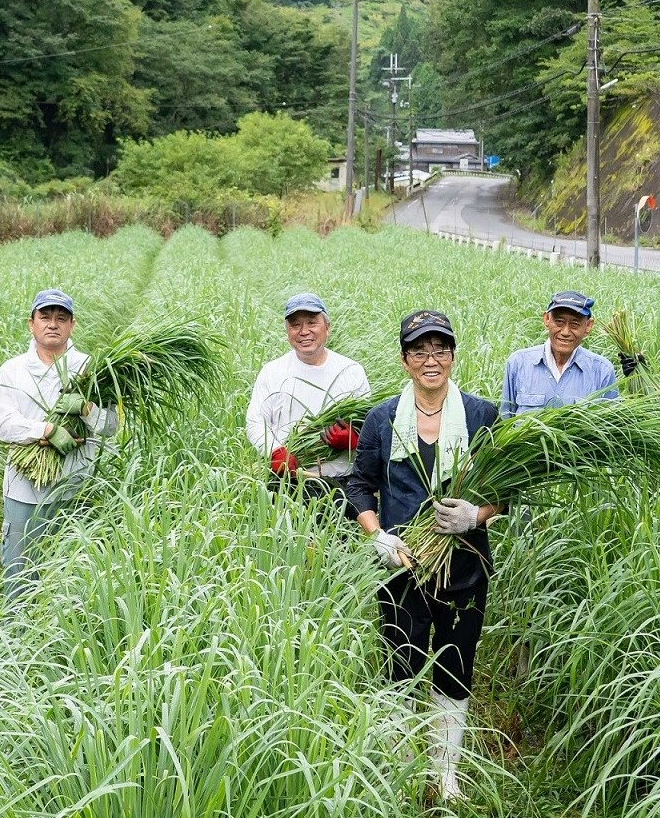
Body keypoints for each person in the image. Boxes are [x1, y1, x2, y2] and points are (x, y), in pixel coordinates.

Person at [347, 311, 503, 801]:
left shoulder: (481, 415)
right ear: (405, 360)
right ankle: (399, 769)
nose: (430, 360)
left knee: (456, 663)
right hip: (403, 566)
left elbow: (508, 490)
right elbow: (359, 486)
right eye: (419, 351)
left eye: (440, 349)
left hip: (464, 567)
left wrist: (476, 515)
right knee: (401, 663)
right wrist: (377, 535)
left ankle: (445, 773)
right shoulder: (383, 419)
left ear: (453, 357)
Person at [0, 289, 118, 603]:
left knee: (72, 579)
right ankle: (16, 631)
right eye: (45, 317)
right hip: (24, 491)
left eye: (61, 318)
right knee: (20, 576)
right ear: (31, 323)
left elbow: (110, 426)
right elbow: (2, 424)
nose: (53, 324)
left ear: (72, 325)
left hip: (75, 489)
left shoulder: (91, 368)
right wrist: (46, 430)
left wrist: (86, 409)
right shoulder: (13, 370)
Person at [245, 292, 372, 519]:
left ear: (327, 328)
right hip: (289, 483)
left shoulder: (350, 371)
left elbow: (371, 429)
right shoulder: (273, 372)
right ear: (288, 332)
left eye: (312, 323)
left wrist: (354, 440)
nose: (304, 331)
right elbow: (255, 421)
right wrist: (275, 450)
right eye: (296, 325)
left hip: (343, 483)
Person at [499, 290, 619, 417]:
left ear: (588, 326)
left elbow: (612, 424)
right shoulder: (518, 363)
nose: (565, 332)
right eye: (559, 322)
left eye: (575, 324)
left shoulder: (602, 371)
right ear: (547, 319)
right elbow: (506, 418)